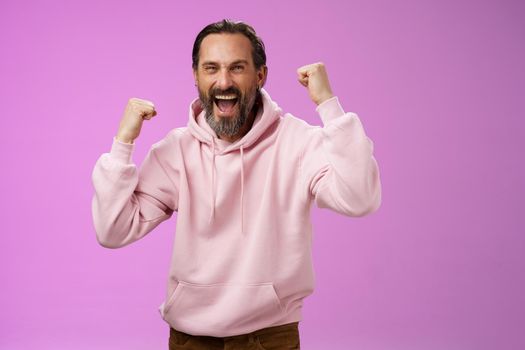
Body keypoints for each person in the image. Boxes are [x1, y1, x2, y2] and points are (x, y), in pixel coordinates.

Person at [91, 19, 382, 350]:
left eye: (237, 68)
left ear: (260, 76)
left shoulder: (298, 142)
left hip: (270, 336)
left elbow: (361, 198)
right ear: (196, 76)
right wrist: (123, 142)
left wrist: (329, 105)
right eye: (211, 68)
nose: (223, 81)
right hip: (190, 339)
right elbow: (112, 230)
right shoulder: (176, 151)